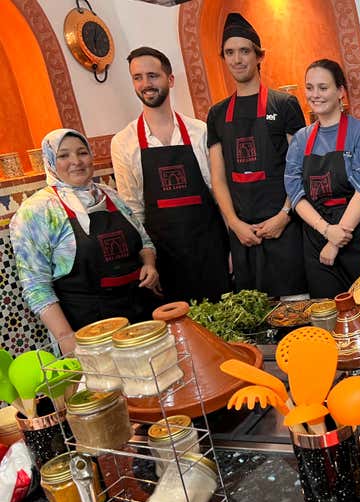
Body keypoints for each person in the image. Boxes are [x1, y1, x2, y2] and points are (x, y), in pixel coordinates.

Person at [10, 129, 160, 354]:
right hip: (90, 332)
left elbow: (144, 241)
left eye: (82, 153)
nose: (76, 162)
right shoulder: (37, 211)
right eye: (63, 156)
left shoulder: (109, 194)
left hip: (141, 319)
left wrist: (149, 264)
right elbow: (36, 287)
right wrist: (66, 338)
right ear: (50, 161)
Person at [111, 46, 229, 304]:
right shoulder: (123, 142)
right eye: (137, 77)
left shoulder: (200, 131)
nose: (146, 84)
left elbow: (220, 196)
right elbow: (133, 212)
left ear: (170, 79)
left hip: (212, 252)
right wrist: (147, 263)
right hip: (164, 261)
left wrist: (233, 250)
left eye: (153, 75)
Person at [207, 13, 307, 297]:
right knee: (256, 321)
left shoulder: (285, 104)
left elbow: (299, 169)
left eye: (244, 51)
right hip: (244, 236)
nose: (237, 59)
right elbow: (218, 178)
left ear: (259, 56)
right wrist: (234, 224)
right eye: (229, 52)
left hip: (285, 231)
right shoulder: (216, 114)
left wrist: (284, 216)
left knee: (296, 311)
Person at [284, 59, 360, 298]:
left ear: (340, 92)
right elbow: (295, 192)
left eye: (323, 88)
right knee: (328, 315)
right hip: (318, 239)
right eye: (309, 88)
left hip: (358, 238)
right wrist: (327, 232)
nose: (315, 95)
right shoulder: (300, 139)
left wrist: (336, 241)